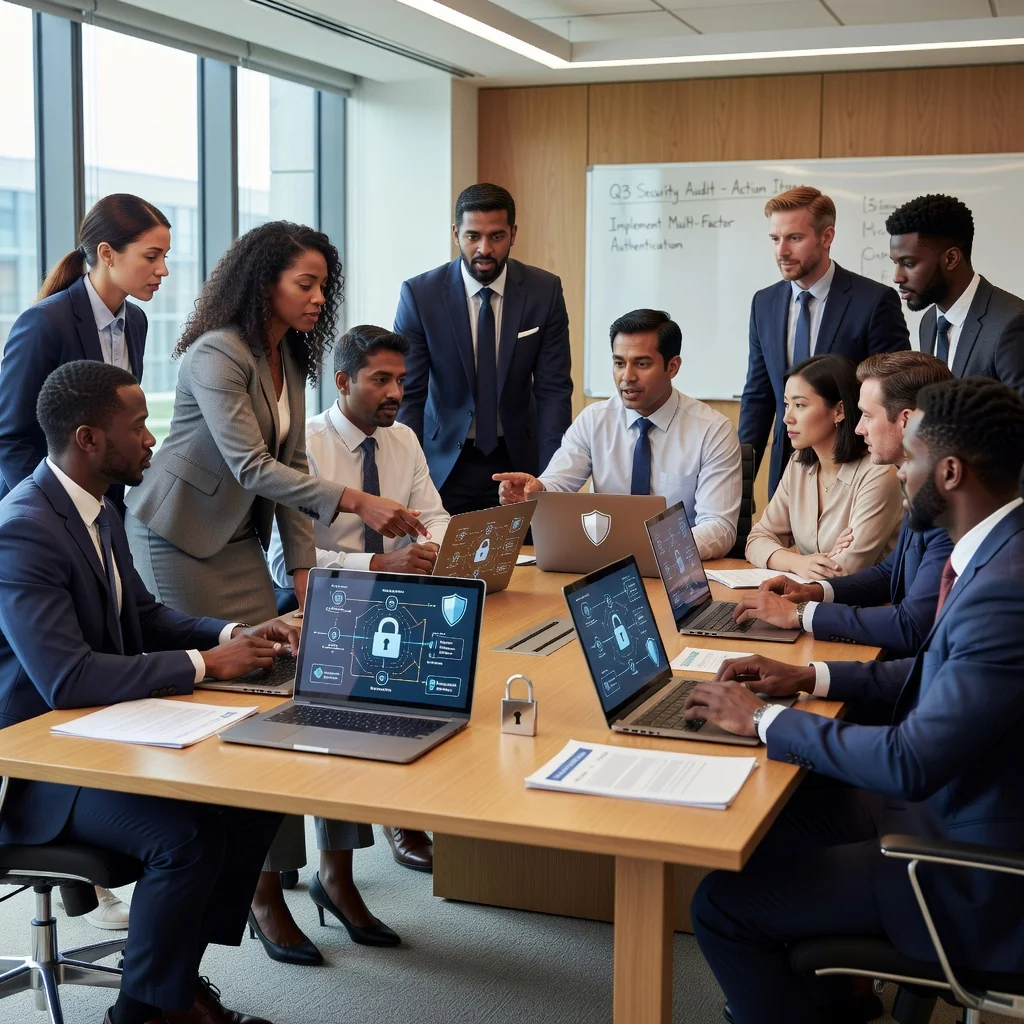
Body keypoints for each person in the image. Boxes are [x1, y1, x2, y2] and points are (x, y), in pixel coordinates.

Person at [124, 222, 425, 967]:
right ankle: (263, 890)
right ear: (265, 282)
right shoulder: (214, 352)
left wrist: (300, 570)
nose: (320, 298)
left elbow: (290, 470)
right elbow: (252, 465)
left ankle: (336, 872)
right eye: (307, 283)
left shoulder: (285, 356)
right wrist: (357, 501)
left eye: (325, 285)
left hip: (243, 543)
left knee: (309, 688)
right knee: (244, 707)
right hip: (180, 542)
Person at [681, 376, 1024, 1024]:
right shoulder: (1000, 554)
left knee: (720, 906)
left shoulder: (1005, 588)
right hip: (955, 805)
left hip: (971, 870)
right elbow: (930, 674)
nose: (896, 472)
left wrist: (760, 719)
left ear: (948, 471)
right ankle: (834, 1004)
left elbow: (908, 762)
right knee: (778, 823)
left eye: (912, 458)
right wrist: (807, 680)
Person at [0, 360, 302, 1024]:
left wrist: (240, 632)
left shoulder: (100, 509)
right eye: (138, 425)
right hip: (36, 770)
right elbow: (67, 677)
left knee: (249, 798)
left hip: (103, 737)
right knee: (187, 835)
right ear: (88, 439)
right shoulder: (23, 528)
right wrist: (205, 664)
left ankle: (176, 981)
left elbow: (146, 617)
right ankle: (141, 1011)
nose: (153, 440)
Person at [267, 325, 449, 898]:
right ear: (343, 381)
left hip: (392, 600)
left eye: (401, 378)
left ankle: (356, 852)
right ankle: (306, 873)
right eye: (381, 380)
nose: (396, 391)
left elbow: (435, 515)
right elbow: (282, 563)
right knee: (350, 696)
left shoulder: (405, 441)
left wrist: (435, 549)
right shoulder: (307, 446)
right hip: (314, 607)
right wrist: (379, 564)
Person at [736, 351, 953, 656]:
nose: (859, 427)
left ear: (906, 420)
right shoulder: (919, 483)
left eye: (867, 415)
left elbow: (910, 625)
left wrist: (800, 613)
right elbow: (889, 573)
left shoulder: (937, 502)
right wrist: (810, 587)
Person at [494, 308, 741, 559]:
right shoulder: (594, 420)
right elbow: (558, 483)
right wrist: (537, 491)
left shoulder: (712, 431)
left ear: (673, 366)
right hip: (606, 566)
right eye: (619, 363)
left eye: (642, 364)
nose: (627, 377)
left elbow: (719, 529)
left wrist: (650, 548)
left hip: (678, 566)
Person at [395, 182, 573, 514]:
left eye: (496, 236)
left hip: (519, 462)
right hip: (444, 464)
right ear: (455, 233)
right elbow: (409, 395)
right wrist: (408, 476)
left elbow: (554, 392)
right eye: (472, 236)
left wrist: (552, 478)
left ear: (513, 233)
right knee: (444, 561)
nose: (484, 248)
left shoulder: (544, 291)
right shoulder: (421, 296)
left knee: (529, 562)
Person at [0, 193, 169, 517]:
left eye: (165, 256)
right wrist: (56, 513)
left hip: (106, 508)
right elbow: (11, 438)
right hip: (41, 513)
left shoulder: (136, 321)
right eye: (151, 256)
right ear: (107, 253)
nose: (162, 270)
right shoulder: (45, 323)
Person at [739, 186, 910, 498]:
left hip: (855, 467)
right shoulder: (763, 303)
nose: (781, 251)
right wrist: (740, 482)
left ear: (826, 237)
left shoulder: (873, 301)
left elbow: (894, 395)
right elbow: (759, 396)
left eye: (794, 238)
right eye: (775, 239)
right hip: (785, 466)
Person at [744, 354, 902, 579]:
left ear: (839, 410)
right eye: (787, 404)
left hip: (863, 609)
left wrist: (799, 559)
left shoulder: (879, 473)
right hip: (808, 600)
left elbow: (842, 571)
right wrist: (798, 562)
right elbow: (756, 539)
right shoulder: (799, 464)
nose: (787, 418)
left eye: (800, 405)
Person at [886, 193, 1024, 395]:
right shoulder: (929, 322)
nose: (897, 277)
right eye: (895, 263)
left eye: (908, 264)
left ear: (951, 259)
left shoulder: (1011, 324)